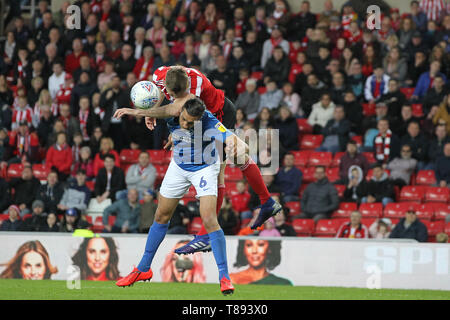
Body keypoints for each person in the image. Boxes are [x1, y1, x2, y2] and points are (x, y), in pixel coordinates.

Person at [114, 67, 282, 255]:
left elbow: (181, 110)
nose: (168, 93)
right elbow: (163, 96)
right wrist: (150, 111)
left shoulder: (194, 87)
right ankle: (267, 201)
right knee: (237, 159)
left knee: (219, 172)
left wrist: (160, 122)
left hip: (218, 114)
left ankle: (205, 236)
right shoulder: (160, 74)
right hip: (202, 116)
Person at [115, 98, 237, 295]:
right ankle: (143, 268)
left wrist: (232, 145)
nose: (186, 125)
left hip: (204, 168)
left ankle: (224, 277)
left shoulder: (210, 121)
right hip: (179, 166)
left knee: (209, 218)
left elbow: (229, 137)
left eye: (191, 123)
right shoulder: (173, 111)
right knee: (161, 216)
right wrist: (132, 110)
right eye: (184, 120)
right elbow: (150, 111)